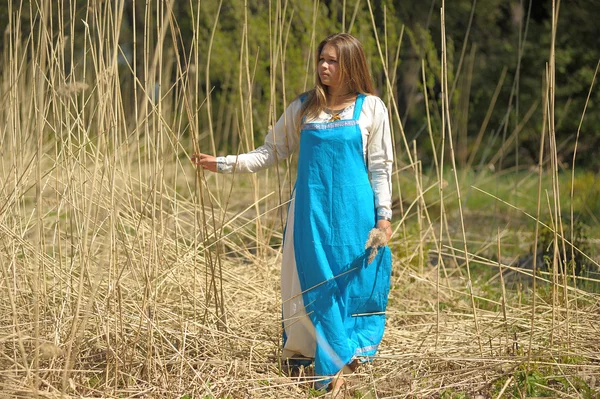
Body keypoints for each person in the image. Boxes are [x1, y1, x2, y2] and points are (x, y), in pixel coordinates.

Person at [193, 33, 393, 394]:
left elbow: (380, 166)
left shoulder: (371, 107)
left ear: (350, 63)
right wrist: (222, 163)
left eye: (332, 60)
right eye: (321, 59)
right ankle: (328, 368)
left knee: (352, 283)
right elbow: (270, 151)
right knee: (316, 286)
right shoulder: (305, 107)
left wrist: (383, 217)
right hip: (311, 214)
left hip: (355, 215)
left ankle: (343, 364)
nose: (323, 66)